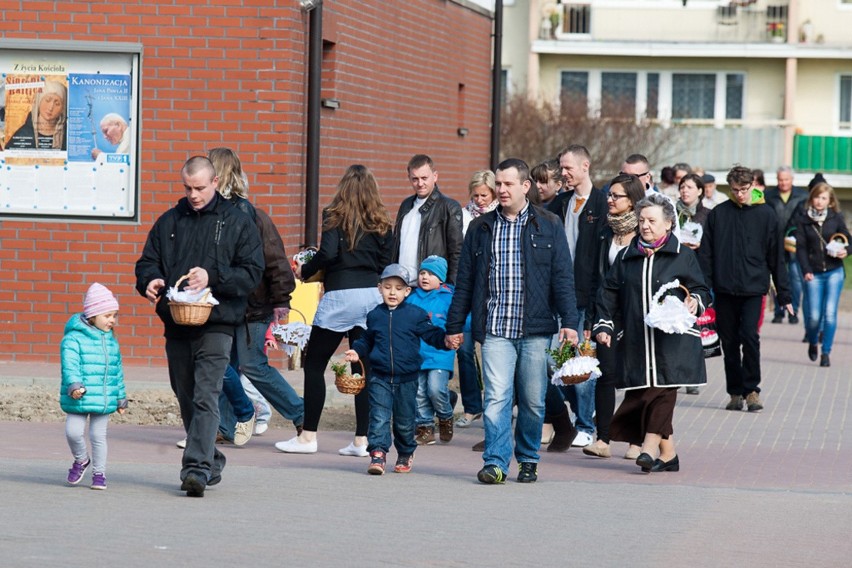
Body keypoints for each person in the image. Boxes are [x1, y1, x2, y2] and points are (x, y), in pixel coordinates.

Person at [135, 156, 264, 497]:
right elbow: (147, 261)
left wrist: (214, 278)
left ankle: (195, 469)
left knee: (207, 394)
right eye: (187, 188)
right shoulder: (169, 221)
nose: (193, 194)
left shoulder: (237, 222)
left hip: (218, 323)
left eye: (200, 188)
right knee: (186, 395)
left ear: (216, 182)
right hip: (177, 322)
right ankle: (212, 458)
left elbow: (252, 273)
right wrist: (150, 280)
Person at [446, 158, 579, 484]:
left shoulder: (548, 224)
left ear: (525, 186)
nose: (501, 190)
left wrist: (570, 322)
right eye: (498, 184)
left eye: (507, 184)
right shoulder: (481, 228)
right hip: (494, 331)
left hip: (535, 329)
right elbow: (466, 281)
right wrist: (453, 326)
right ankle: (495, 462)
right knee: (496, 399)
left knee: (533, 402)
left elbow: (562, 277)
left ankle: (529, 458)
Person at [276, 164, 393, 457]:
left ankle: (308, 437)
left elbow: (327, 254)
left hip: (340, 295)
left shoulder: (333, 215)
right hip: (371, 295)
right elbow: (386, 260)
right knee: (361, 368)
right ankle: (362, 441)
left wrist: (306, 269)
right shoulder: (382, 221)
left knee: (315, 364)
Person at [594, 193, 710, 473]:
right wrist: (604, 324)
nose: (645, 226)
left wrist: (695, 300)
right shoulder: (626, 256)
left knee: (663, 391)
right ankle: (668, 454)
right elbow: (608, 291)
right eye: (642, 220)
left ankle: (648, 445)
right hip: (638, 339)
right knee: (644, 393)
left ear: (669, 223)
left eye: (652, 220)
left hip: (673, 341)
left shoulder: (684, 255)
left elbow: (701, 289)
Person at [207, 147, 303, 447]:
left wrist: (282, 301)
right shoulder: (209, 215)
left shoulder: (252, 216)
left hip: (253, 307)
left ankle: (302, 414)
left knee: (251, 366)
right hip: (223, 305)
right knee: (224, 366)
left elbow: (275, 260)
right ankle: (225, 425)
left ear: (219, 176)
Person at [344, 264, 453, 475]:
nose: (392, 292)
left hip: (407, 377)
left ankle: (405, 452)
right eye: (387, 287)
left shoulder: (415, 314)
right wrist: (357, 351)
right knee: (379, 417)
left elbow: (431, 334)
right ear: (379, 288)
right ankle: (377, 453)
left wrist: (445, 341)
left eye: (398, 288)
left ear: (407, 291)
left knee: (404, 421)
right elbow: (367, 339)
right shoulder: (375, 315)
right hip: (380, 376)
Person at [699, 166, 791, 413]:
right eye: (735, 190)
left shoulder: (766, 215)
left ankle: (752, 390)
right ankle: (735, 392)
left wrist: (784, 294)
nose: (740, 194)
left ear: (753, 186)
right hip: (725, 288)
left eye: (744, 189)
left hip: (753, 288)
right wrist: (703, 290)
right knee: (729, 342)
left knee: (750, 337)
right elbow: (706, 255)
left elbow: (776, 257)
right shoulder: (719, 214)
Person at [547, 144, 607, 449]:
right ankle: (577, 412)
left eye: (568, 167)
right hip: (558, 297)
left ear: (586, 166)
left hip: (585, 300)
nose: (564, 173)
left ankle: (585, 424)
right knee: (554, 361)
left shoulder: (601, 205)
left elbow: (601, 264)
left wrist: (596, 310)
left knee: (582, 365)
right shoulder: (558, 204)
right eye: (561, 167)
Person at [583, 173, 646, 459]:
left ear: (632, 200)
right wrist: (590, 318)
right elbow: (595, 276)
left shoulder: (645, 233)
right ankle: (603, 439)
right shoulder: (605, 231)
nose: (609, 199)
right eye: (609, 194)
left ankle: (637, 440)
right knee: (605, 374)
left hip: (638, 314)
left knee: (637, 377)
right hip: (607, 311)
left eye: (616, 196)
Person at [61, 283, 127, 490]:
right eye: (107, 315)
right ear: (93, 315)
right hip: (79, 395)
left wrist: (120, 398)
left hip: (104, 397)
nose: (112, 320)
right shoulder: (73, 339)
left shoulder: (111, 342)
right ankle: (81, 460)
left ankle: (99, 473)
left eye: (114, 315)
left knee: (98, 436)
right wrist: (74, 385)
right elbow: (69, 365)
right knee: (73, 432)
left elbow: (117, 372)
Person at [456, 170, 497, 428]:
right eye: (476, 195)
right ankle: (472, 405)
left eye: (485, 195)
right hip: (468, 290)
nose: (480, 200)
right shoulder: (462, 216)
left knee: (493, 352)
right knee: (465, 348)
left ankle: (499, 403)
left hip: (493, 291)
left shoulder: (501, 216)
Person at [794, 182, 851, 368]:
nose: (819, 201)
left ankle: (826, 352)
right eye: (817, 197)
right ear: (812, 198)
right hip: (814, 273)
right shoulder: (803, 219)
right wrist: (806, 270)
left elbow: (849, 240)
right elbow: (800, 248)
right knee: (813, 317)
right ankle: (812, 340)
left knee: (830, 313)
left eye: (824, 198)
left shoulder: (836, 218)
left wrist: (847, 250)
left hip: (834, 271)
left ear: (830, 201)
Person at [392, 154, 464, 284]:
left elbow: (457, 253)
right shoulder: (406, 205)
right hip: (402, 287)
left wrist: (451, 289)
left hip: (432, 289)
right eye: (415, 179)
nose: (420, 183)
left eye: (424, 178)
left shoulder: (449, 207)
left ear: (435, 176)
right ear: (409, 178)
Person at [408, 256, 456, 445]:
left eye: (431, 274)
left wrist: (459, 333)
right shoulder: (411, 298)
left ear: (441, 278)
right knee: (419, 392)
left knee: (435, 389)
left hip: (440, 354)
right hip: (417, 354)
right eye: (422, 273)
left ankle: (445, 416)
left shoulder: (449, 298)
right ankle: (426, 427)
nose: (425, 277)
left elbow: (460, 320)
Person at [675, 172, 712, 395]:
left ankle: (693, 375)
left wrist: (701, 247)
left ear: (700, 190)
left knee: (695, 327)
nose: (685, 190)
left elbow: (715, 244)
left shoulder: (708, 214)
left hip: (698, 274)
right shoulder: (671, 213)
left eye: (689, 187)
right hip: (675, 274)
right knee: (676, 325)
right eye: (682, 186)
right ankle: (676, 372)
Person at [765, 166, 808, 325]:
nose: (783, 183)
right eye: (780, 179)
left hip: (795, 243)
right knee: (777, 278)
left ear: (792, 179)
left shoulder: (803, 196)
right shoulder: (768, 196)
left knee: (795, 278)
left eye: (786, 179)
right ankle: (778, 311)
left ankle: (793, 311)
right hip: (774, 243)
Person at [6, 80, 67, 150]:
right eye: (47, 100)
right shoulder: (23, 134)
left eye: (57, 104)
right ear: (39, 101)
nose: (51, 108)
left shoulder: (66, 135)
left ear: (63, 109)